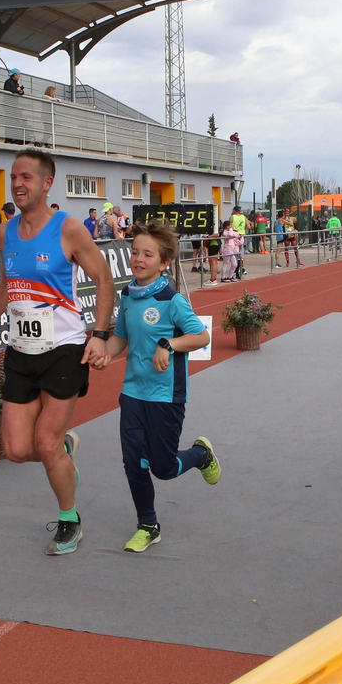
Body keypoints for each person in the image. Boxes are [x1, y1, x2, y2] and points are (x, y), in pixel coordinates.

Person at [0, 150, 115, 556]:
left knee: (44, 442)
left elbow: (103, 279)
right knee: (16, 450)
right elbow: (7, 281)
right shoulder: (5, 232)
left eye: (26, 177)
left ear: (47, 183)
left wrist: (99, 334)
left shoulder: (68, 229)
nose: (18, 184)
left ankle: (69, 520)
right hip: (20, 349)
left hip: (64, 348)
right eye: (14, 176)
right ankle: (64, 449)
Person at [98, 221, 217, 552]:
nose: (138, 259)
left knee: (163, 469)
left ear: (164, 262)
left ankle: (200, 454)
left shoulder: (171, 299)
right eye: (135, 251)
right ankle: (147, 525)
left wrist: (168, 344)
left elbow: (202, 336)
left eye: (147, 254)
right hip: (133, 394)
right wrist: (99, 353)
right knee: (133, 462)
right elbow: (119, 338)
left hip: (167, 396)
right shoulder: (128, 295)